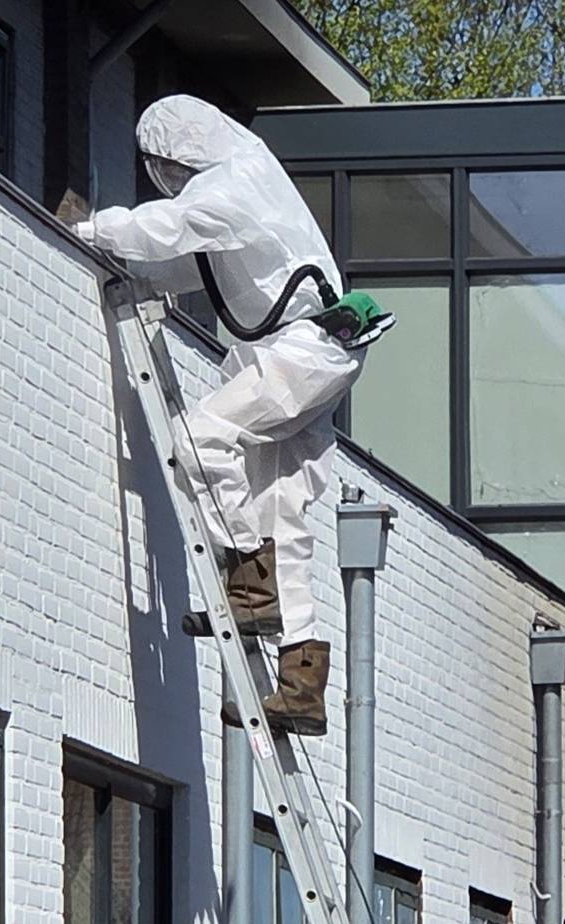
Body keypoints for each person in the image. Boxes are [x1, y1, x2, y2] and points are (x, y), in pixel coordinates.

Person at [74, 94, 365, 736]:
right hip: (316, 348)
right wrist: (146, 277)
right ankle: (302, 681)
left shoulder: (232, 185)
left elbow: (168, 230)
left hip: (302, 347)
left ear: (179, 157)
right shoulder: (248, 176)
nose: (171, 181)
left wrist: (90, 232)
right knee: (283, 513)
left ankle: (248, 583)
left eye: (168, 171)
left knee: (201, 438)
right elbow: (198, 265)